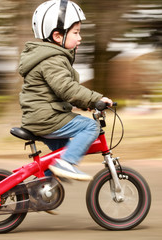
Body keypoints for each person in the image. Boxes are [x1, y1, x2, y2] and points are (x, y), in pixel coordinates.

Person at [18, 0, 113, 181]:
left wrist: (84, 105)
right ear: (57, 36)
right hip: (46, 119)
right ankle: (67, 163)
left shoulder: (51, 58)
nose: (80, 38)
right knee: (90, 127)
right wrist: (95, 100)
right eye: (76, 32)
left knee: (59, 153)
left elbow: (56, 93)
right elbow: (67, 89)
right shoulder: (52, 60)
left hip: (44, 116)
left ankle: (43, 190)